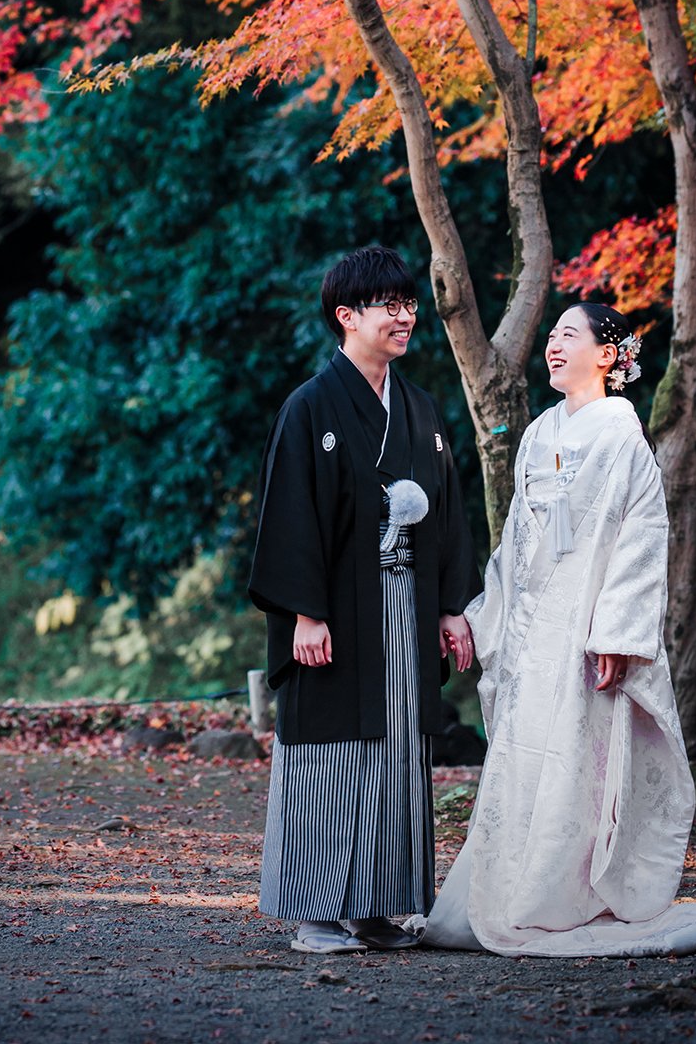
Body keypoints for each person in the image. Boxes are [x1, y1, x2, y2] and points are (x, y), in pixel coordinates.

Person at [421, 301, 696, 958]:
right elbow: (518, 545)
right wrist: (483, 618)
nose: (553, 346)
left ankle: (566, 895)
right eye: (551, 336)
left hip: (589, 632)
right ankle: (511, 889)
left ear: (608, 355)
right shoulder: (536, 434)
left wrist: (616, 634)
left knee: (580, 762)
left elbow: (642, 539)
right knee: (525, 755)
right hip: (536, 629)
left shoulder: (622, 435)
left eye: (569, 335)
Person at [249, 243, 479, 955]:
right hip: (337, 611)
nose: (405, 316)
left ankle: (378, 908)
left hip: (405, 607)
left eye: (408, 304)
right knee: (329, 753)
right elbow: (289, 515)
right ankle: (317, 914)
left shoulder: (419, 410)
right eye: (388, 305)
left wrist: (450, 606)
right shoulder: (309, 407)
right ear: (345, 316)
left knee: (397, 750)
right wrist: (304, 613)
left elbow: (448, 514)